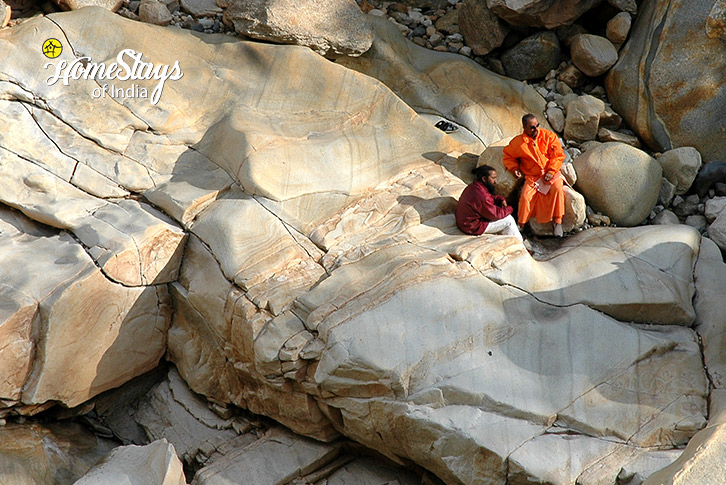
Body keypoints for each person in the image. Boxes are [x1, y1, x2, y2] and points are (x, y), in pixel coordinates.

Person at [503, 113, 566, 237]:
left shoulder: (549, 136)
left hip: (551, 174)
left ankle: (558, 222)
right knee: (526, 198)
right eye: (532, 127)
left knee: (558, 189)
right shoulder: (518, 143)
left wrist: (551, 171)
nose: (536, 129)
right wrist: (514, 168)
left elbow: (558, 156)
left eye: (537, 125)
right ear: (524, 128)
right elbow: (508, 156)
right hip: (533, 177)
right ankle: (521, 224)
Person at [456, 165, 523, 241]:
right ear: (484, 178)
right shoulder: (482, 196)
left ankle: (513, 236)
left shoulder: (474, 186)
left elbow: (489, 198)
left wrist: (500, 199)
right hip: (471, 226)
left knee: (504, 216)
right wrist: (511, 208)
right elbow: (495, 214)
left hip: (464, 221)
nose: (496, 181)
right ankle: (519, 242)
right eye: (493, 178)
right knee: (509, 220)